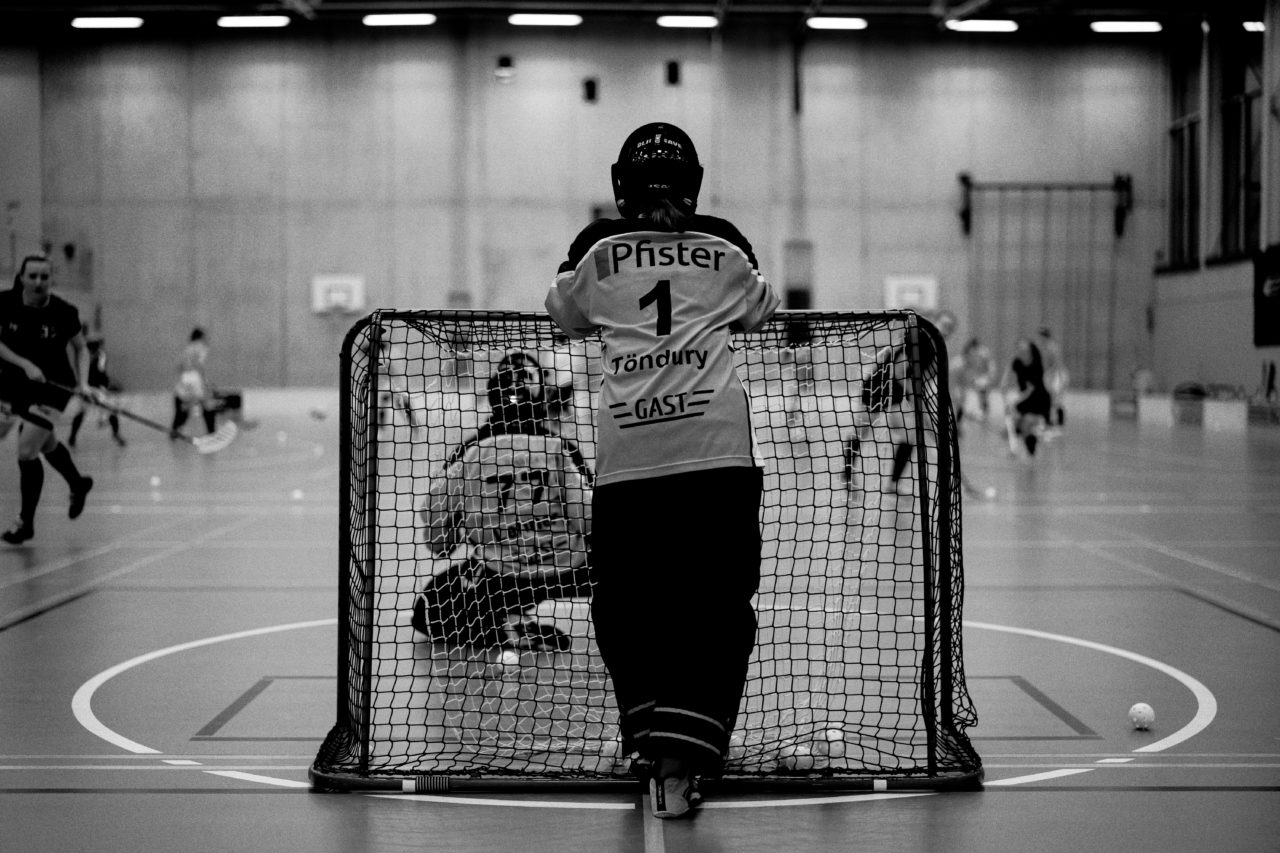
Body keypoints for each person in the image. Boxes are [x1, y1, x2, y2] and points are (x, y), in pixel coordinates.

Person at [546, 122, 780, 819]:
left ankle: (652, 737)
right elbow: (762, 308)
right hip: (715, 459)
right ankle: (684, 757)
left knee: (628, 603)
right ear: (694, 182)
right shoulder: (725, 249)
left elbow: (563, 313)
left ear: (621, 184)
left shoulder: (597, 253)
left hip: (629, 465)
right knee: (714, 606)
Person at [412, 350, 593, 652]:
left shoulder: (470, 452)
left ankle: (504, 626)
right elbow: (589, 520)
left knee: (429, 610)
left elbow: (438, 542)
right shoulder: (561, 449)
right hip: (568, 571)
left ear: (492, 393)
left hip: (500, 576)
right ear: (540, 397)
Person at [0, 254, 95, 544]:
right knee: (45, 442)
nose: (39, 282)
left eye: (45, 277)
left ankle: (25, 522)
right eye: (33, 276)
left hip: (54, 388)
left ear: (51, 279)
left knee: (27, 449)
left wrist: (84, 383)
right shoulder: (5, 303)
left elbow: (82, 349)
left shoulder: (64, 312)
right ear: (22, 277)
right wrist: (25, 364)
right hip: (17, 382)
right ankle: (78, 483)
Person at [68, 330, 125, 448]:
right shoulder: (82, 355)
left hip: (99, 389)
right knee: (82, 412)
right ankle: (72, 436)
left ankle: (116, 433)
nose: (96, 346)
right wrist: (82, 386)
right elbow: (83, 371)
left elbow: (100, 372)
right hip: (86, 388)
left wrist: (107, 384)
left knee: (111, 410)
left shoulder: (101, 355)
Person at [1001, 337, 1051, 457]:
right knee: (1012, 425)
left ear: (1031, 352)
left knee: (1026, 424)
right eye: (1019, 350)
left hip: (1039, 400)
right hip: (1024, 399)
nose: (1021, 353)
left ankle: (1031, 442)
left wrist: (1013, 403)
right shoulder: (1016, 362)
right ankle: (1020, 444)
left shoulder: (1037, 366)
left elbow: (1031, 391)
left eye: (1025, 351)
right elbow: (1005, 382)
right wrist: (1005, 399)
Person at [171, 327, 217, 437]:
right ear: (200, 336)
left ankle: (175, 430)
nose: (207, 338)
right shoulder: (201, 346)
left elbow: (178, 366)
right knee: (208, 405)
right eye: (205, 336)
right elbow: (199, 365)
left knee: (184, 406)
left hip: (185, 378)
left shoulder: (187, 348)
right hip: (195, 377)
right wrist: (204, 382)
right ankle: (212, 432)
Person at [957, 336, 997, 424]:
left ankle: (983, 412)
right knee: (967, 395)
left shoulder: (984, 352)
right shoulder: (969, 352)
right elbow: (967, 364)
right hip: (972, 376)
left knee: (982, 394)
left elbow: (990, 364)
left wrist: (991, 375)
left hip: (983, 376)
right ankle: (970, 412)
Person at [1037, 326, 1067, 431]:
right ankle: (1048, 423)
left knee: (1055, 401)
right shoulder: (1046, 347)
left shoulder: (1052, 347)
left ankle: (1058, 424)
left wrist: (1058, 378)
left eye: (1041, 336)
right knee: (1047, 400)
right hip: (1051, 375)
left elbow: (1057, 363)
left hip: (1056, 375)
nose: (1040, 339)